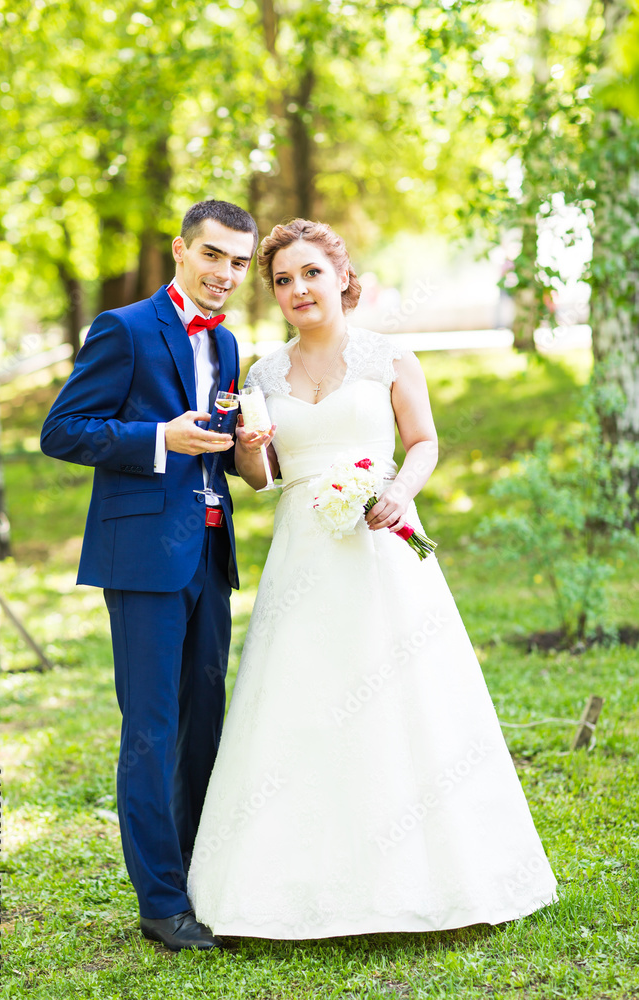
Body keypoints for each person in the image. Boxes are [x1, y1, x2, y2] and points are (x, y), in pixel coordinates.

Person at [188, 218, 558, 939]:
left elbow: (422, 442)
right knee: (299, 700)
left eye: (310, 274)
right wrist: (251, 448)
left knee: (402, 696)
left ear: (341, 276)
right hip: (303, 554)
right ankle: (281, 887)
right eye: (284, 280)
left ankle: (430, 877)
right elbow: (260, 480)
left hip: (383, 541)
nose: (298, 289)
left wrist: (398, 491)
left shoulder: (389, 357)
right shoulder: (262, 372)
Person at [40, 200, 274, 952]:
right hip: (142, 559)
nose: (225, 274)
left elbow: (219, 447)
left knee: (204, 722)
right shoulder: (124, 328)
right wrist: (157, 439)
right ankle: (161, 904)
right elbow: (62, 431)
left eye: (238, 263)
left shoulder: (230, 342)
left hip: (209, 553)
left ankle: (200, 880)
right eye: (213, 256)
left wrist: (242, 445)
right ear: (180, 250)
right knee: (151, 730)